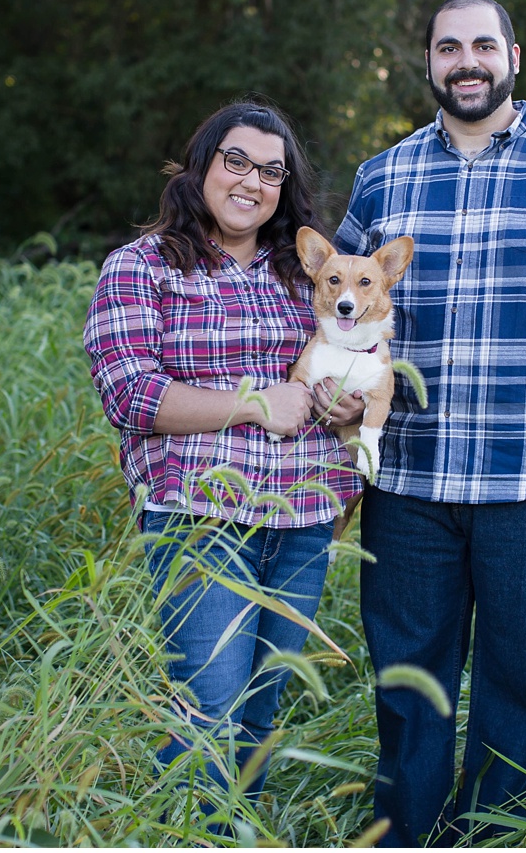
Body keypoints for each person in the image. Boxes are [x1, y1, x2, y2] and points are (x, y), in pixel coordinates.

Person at [333, 0, 526, 845]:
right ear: (430, 62)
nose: (465, 61)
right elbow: (335, 303)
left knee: (522, 679)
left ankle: (490, 837)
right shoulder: (384, 176)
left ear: (514, 53)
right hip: (407, 482)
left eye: (481, 45)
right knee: (407, 682)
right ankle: (405, 835)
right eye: (447, 47)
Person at [83, 100, 364, 807]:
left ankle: (237, 831)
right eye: (236, 160)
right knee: (207, 714)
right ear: (203, 164)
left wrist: (344, 404)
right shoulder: (142, 267)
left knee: (259, 719)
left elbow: (338, 369)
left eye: (271, 170)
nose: (251, 181)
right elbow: (128, 393)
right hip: (199, 521)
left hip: (301, 521)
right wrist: (252, 402)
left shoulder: (307, 275)